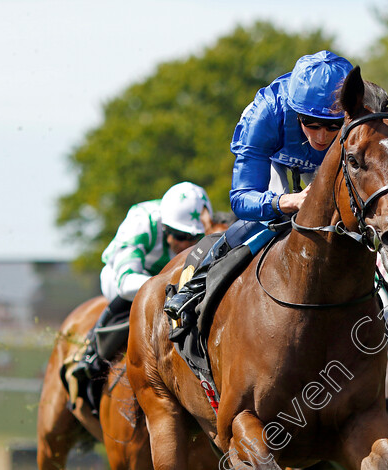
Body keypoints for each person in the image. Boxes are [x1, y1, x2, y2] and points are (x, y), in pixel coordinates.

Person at [164, 50, 353, 318]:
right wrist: (285, 201)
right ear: (294, 111)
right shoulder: (265, 113)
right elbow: (242, 200)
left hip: (330, 164)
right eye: (310, 124)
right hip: (276, 159)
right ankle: (196, 285)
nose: (322, 136)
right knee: (270, 217)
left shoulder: (358, 113)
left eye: (332, 125)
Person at [68, 181, 213, 387]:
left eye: (194, 237)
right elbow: (126, 283)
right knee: (133, 298)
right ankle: (91, 354)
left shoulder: (206, 223)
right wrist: (177, 286)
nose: (187, 244)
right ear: (165, 226)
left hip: (178, 284)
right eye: (180, 236)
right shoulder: (141, 222)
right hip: (125, 278)